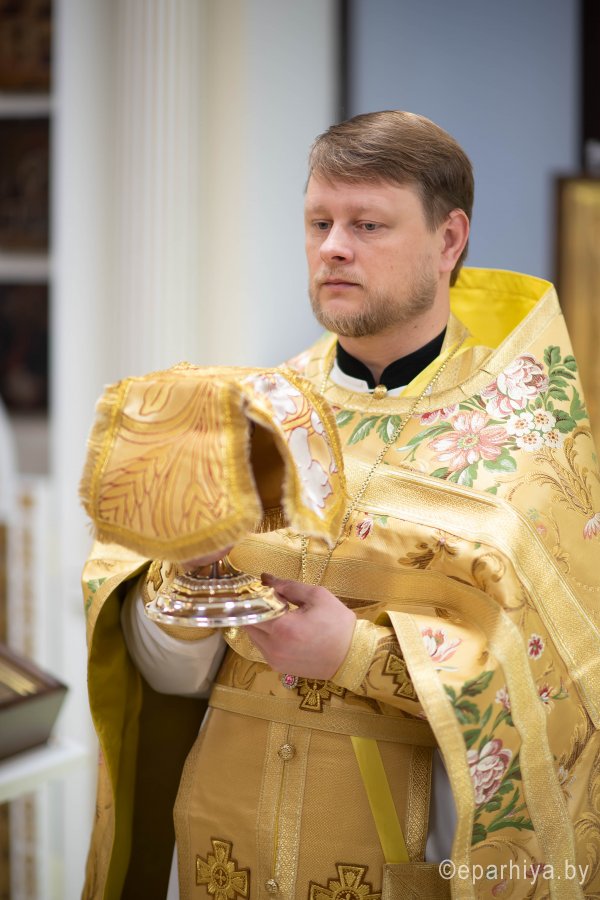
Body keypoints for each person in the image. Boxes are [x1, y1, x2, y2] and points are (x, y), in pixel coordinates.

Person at [82, 111, 600, 900]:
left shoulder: (526, 455)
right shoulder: (251, 419)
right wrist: (190, 584)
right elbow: (169, 679)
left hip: (401, 866)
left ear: (449, 241)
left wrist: (351, 655)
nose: (333, 247)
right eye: (319, 222)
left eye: (368, 225)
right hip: (222, 855)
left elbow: (559, 706)